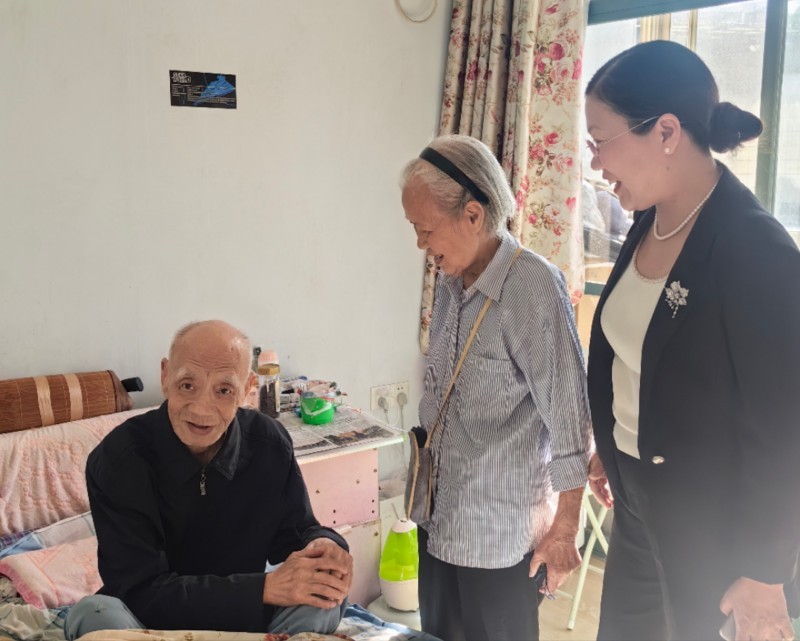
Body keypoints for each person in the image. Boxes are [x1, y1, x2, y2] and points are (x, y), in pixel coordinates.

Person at [584, 40, 800, 641]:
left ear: (666, 132)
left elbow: (784, 428)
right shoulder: (650, 220)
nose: (595, 163)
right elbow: (641, 355)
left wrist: (765, 572)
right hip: (636, 499)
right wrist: (616, 441)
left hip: (713, 524)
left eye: (600, 141)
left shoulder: (754, 248)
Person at [400, 134, 592, 641]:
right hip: (438, 524)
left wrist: (565, 528)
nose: (421, 244)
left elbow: (570, 416)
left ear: (472, 214)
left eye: (425, 229)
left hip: (498, 543)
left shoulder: (533, 287)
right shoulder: (450, 281)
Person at [65, 320, 352, 640]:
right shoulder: (118, 459)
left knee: (325, 596)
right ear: (165, 376)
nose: (202, 409)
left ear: (246, 388)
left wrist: (326, 547)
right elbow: (137, 591)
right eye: (187, 385)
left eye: (224, 390)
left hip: (246, 621)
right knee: (93, 614)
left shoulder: (268, 443)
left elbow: (297, 532)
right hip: (150, 627)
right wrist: (264, 588)